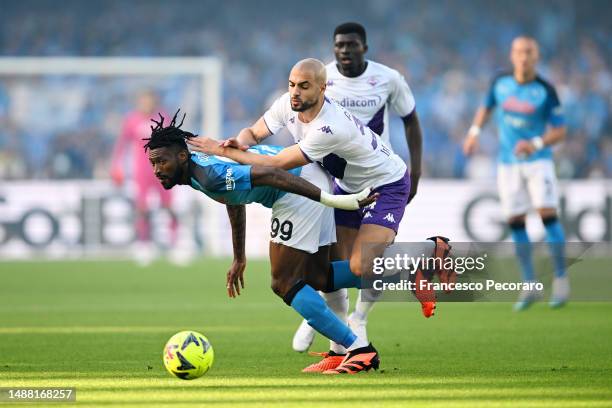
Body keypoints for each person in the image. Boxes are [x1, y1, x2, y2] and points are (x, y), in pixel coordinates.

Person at [187, 58, 441, 373]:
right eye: (292, 84)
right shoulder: (287, 103)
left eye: (304, 86)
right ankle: (338, 351)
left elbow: (278, 164)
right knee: (325, 275)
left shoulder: (329, 126)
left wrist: (220, 150)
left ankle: (418, 265)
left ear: (322, 88)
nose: (295, 92)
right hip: (346, 186)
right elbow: (254, 132)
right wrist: (239, 141)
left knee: (362, 266)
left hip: (385, 184)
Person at [145, 111, 386, 374]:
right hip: (310, 178)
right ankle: (409, 271)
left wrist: (332, 200)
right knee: (319, 277)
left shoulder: (209, 175)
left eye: (162, 162)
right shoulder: (197, 169)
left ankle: (359, 349)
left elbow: (271, 174)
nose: (157, 170)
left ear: (181, 156)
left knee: (284, 282)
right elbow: (233, 199)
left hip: (297, 186)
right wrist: (239, 256)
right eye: (153, 164)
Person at [291, 22, 425, 359]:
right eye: (339, 46)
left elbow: (411, 120)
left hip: (381, 178)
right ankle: (327, 324)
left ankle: (360, 320)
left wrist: (417, 171)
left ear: (364, 47)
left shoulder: (388, 78)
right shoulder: (323, 79)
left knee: (366, 262)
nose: (345, 51)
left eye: (351, 45)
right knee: (340, 262)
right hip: (343, 182)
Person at [462, 36, 569, 310]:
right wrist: (474, 133)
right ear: (512, 55)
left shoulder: (546, 90)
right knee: (517, 222)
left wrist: (535, 143)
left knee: (548, 217)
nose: (523, 57)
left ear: (537, 57)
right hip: (507, 164)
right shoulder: (500, 83)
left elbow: (560, 130)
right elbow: (486, 108)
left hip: (538, 162)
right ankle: (530, 285)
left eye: (529, 52)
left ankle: (560, 280)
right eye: (519, 52)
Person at [111, 90, 177, 265]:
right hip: (142, 170)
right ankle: (144, 244)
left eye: (149, 100)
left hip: (163, 168)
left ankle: (175, 242)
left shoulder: (163, 118)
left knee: (167, 205)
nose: (146, 104)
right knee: (142, 207)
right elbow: (121, 145)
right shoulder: (131, 120)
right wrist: (116, 166)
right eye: (143, 100)